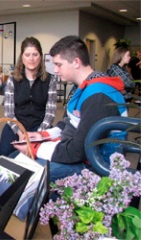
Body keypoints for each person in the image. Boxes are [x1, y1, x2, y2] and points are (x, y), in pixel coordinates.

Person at [11, 35, 127, 183]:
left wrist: (35, 149)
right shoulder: (85, 87)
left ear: (76, 62)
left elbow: (77, 152)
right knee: (15, 159)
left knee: (24, 173)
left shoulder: (99, 96)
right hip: (81, 153)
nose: (55, 70)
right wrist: (42, 135)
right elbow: (69, 124)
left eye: (59, 64)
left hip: (95, 166)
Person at [0, 37, 57, 157]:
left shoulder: (50, 80)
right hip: (15, 125)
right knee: (2, 156)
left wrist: (38, 133)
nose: (31, 59)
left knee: (40, 159)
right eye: (27, 54)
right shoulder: (12, 80)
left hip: (40, 126)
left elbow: (50, 114)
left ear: (40, 57)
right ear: (22, 57)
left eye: (35, 54)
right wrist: (19, 131)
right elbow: (9, 113)